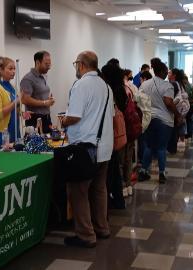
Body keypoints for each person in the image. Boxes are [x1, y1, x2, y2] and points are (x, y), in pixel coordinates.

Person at [59, 51, 113, 248]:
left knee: (78, 192)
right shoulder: (106, 86)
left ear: (81, 65)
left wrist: (63, 120)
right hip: (105, 147)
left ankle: (85, 235)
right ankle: (102, 228)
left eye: (75, 64)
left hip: (85, 148)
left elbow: (74, 116)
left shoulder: (81, 85)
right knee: (99, 190)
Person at [137, 58, 180, 184]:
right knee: (161, 148)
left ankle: (144, 171)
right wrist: (177, 114)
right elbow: (168, 102)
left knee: (149, 146)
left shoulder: (144, 84)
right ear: (161, 71)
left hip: (149, 119)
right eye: (166, 71)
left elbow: (139, 99)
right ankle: (161, 174)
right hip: (164, 121)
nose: (167, 73)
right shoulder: (167, 85)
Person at [101, 62, 128, 205]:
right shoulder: (122, 89)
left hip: (110, 134)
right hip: (119, 134)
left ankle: (110, 199)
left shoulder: (109, 91)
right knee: (115, 167)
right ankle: (118, 199)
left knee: (110, 170)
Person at [0, 56, 25, 150]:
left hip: (14, 133)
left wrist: (22, 113)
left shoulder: (11, 87)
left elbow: (14, 110)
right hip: (1, 136)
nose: (13, 71)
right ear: (0, 70)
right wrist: (15, 102)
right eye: (10, 68)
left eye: (14, 69)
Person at [20, 51, 54, 134]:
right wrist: (45, 102)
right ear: (38, 63)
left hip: (46, 118)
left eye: (49, 64)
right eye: (46, 64)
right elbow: (25, 99)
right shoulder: (28, 79)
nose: (49, 67)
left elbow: (39, 95)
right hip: (34, 119)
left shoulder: (43, 76)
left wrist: (48, 99)